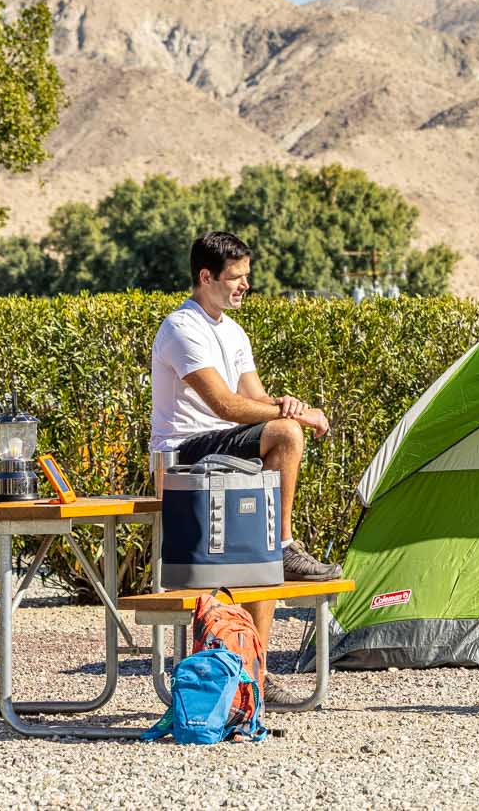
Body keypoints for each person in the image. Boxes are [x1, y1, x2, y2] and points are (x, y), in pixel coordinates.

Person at [151, 231, 343, 648]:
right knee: (287, 435)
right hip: (183, 454)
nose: (245, 285)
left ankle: (254, 671)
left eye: (246, 275)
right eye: (236, 276)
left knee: (262, 558)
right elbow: (224, 406)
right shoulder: (182, 328)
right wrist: (295, 417)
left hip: (222, 444)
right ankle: (284, 542)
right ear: (207, 276)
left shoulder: (234, 332)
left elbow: (253, 399)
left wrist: (284, 403)